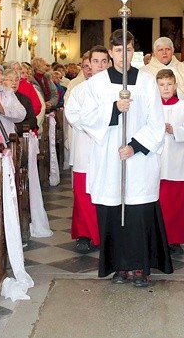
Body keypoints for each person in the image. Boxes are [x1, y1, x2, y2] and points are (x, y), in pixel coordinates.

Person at [77, 29, 172, 287]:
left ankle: (140, 267)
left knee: (138, 213)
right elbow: (85, 118)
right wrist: (114, 110)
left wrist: (134, 146)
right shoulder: (96, 84)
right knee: (112, 211)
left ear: (134, 52)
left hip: (139, 159)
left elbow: (156, 122)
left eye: (128, 50)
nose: (123, 55)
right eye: (118, 50)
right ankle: (118, 267)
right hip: (108, 156)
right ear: (110, 52)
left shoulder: (146, 81)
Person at [64, 46, 110, 253]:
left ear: (109, 63)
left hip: (109, 147)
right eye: (96, 61)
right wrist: (95, 127)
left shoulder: (118, 88)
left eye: (103, 61)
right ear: (88, 64)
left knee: (107, 191)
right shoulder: (79, 90)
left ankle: (106, 233)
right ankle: (84, 233)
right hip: (85, 144)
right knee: (83, 193)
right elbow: (72, 115)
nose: (99, 65)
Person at [156, 69, 184, 257]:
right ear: (157, 87)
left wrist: (175, 130)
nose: (165, 88)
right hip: (157, 162)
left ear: (175, 86)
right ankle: (158, 238)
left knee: (176, 204)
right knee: (159, 202)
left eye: (169, 84)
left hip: (178, 161)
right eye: (162, 85)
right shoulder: (152, 107)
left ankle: (175, 240)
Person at [140, 37, 184, 119]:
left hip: (179, 116)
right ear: (154, 52)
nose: (164, 53)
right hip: (154, 116)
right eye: (160, 50)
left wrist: (177, 91)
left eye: (167, 49)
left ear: (173, 51)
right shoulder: (144, 71)